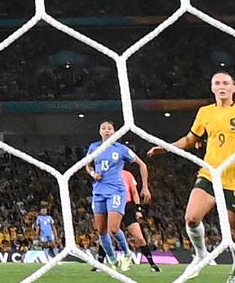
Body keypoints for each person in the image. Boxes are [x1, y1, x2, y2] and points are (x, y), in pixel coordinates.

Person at [148, 70, 235, 281]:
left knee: (232, 232)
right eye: (217, 83)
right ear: (212, 88)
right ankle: (200, 254)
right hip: (211, 173)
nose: (221, 86)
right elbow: (189, 139)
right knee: (192, 217)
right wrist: (166, 147)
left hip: (234, 180)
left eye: (226, 82)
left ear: (233, 87)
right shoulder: (205, 112)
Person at [86, 120, 150, 272]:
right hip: (99, 191)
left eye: (109, 128)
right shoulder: (94, 147)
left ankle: (127, 254)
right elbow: (87, 165)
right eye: (104, 128)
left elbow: (142, 165)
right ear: (100, 131)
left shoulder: (121, 149)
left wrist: (145, 187)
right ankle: (113, 260)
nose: (107, 130)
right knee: (101, 231)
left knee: (113, 228)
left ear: (114, 132)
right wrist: (93, 173)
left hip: (116, 191)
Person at [121, 168, 160, 272]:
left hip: (127, 207)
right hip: (113, 206)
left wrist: (138, 208)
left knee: (139, 237)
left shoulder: (127, 174)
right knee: (107, 233)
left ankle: (152, 264)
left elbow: (134, 192)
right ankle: (99, 262)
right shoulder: (108, 173)